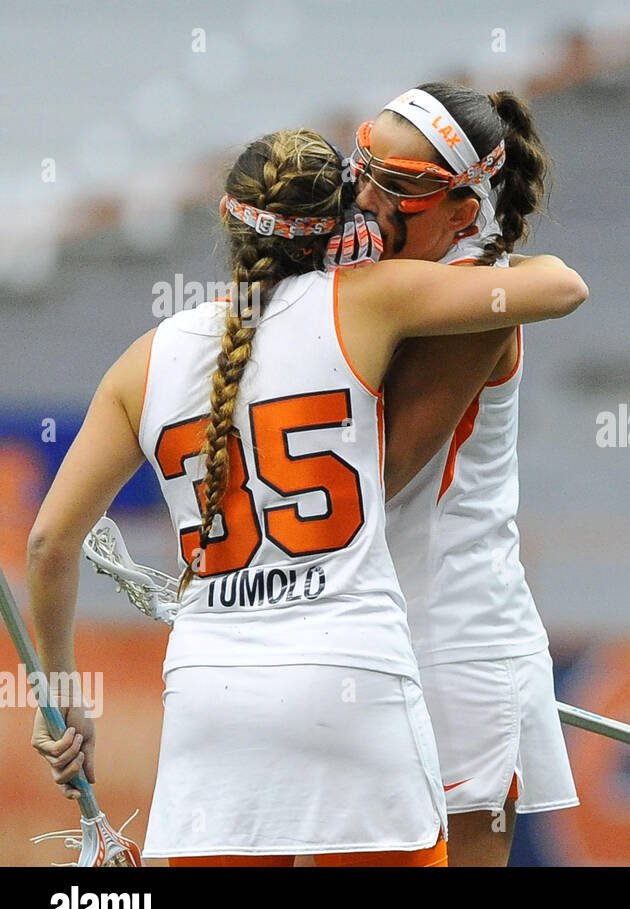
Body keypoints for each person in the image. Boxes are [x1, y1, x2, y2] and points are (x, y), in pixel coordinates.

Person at [28, 127, 587, 866]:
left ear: (227, 220)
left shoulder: (143, 360)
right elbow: (558, 288)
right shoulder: (367, 300)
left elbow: (49, 544)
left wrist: (65, 690)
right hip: (353, 683)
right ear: (340, 220)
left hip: (210, 697)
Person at [351, 83, 580, 866]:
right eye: (365, 170)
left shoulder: (479, 292)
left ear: (461, 206)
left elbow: (372, 478)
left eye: (401, 186)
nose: (368, 200)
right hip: (370, 630)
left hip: (452, 641)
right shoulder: (377, 276)